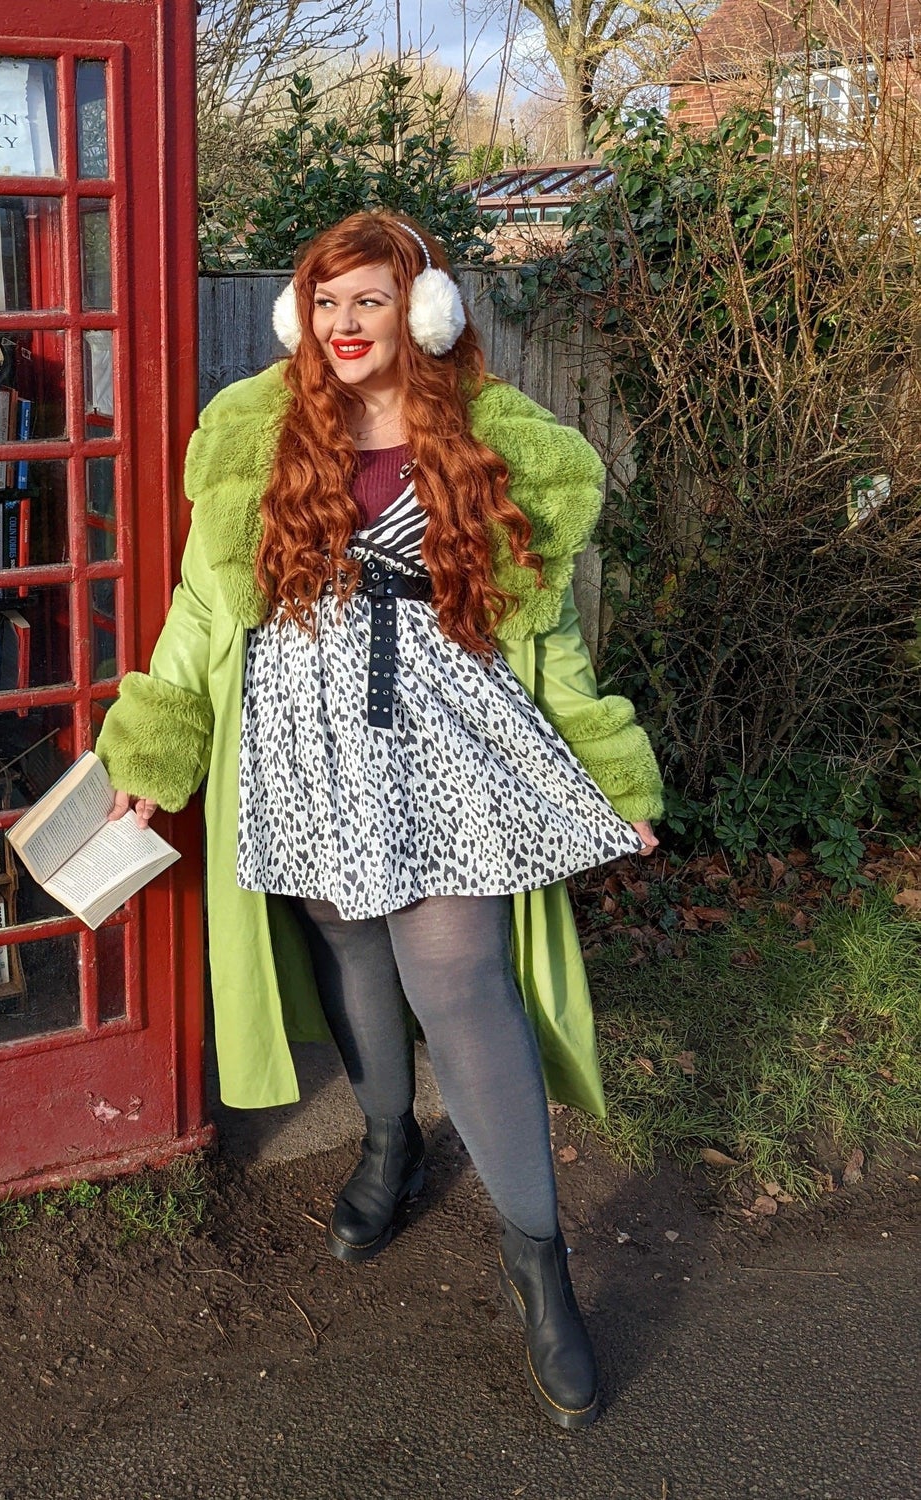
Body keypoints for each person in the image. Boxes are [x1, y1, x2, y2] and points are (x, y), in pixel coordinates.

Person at [96, 211, 663, 1430]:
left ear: (427, 312)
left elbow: (547, 638)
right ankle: (388, 1140)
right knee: (347, 937)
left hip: (447, 737)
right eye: (330, 301)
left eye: (374, 301)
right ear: (303, 314)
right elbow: (202, 617)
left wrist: (617, 773)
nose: (350, 325)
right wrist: (155, 750)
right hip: (298, 738)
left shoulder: (501, 440)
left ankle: (541, 1264)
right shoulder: (253, 431)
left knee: (458, 975)